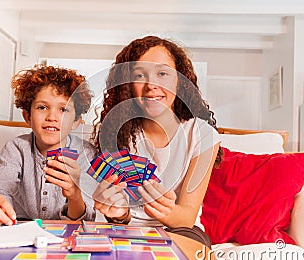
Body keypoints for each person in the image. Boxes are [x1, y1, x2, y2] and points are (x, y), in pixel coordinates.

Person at [92, 36, 222, 247]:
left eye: (162, 73)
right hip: (127, 229)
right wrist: (119, 214)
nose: (151, 85)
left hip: (180, 230)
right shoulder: (117, 132)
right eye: (140, 75)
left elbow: (187, 218)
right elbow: (119, 215)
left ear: (179, 80)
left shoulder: (202, 135)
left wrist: (166, 210)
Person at [0, 65, 96, 226]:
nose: (52, 117)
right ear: (27, 116)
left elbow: (85, 219)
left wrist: (75, 195)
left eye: (63, 110)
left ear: (76, 122)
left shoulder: (86, 153)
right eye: (42, 107)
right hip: (20, 231)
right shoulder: (16, 148)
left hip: (68, 235)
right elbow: (1, 189)